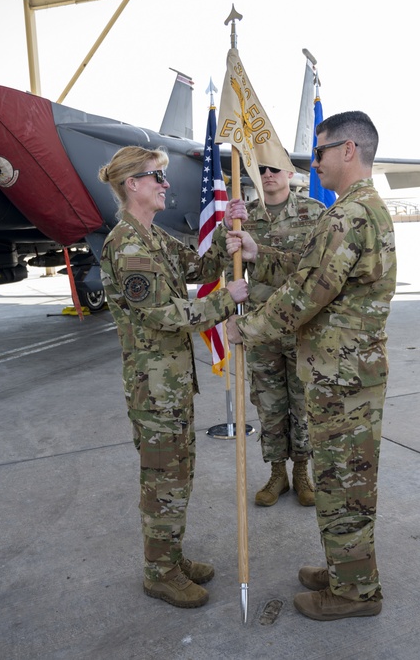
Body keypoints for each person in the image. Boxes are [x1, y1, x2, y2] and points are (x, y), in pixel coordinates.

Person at [226, 111, 395, 621]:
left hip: (341, 377)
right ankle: (349, 570)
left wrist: (247, 327)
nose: (313, 161)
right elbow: (313, 270)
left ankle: (354, 594)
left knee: (345, 481)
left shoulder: (349, 216)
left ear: (348, 151)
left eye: (319, 152)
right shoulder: (352, 211)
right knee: (343, 478)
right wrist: (260, 252)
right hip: (341, 373)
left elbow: (306, 294)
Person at [98, 146, 249, 609]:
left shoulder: (152, 237)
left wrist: (229, 229)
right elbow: (161, 314)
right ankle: (159, 573)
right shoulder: (126, 244)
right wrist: (228, 301)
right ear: (132, 185)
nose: (165, 184)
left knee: (178, 475)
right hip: (154, 390)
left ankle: (170, 557)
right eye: (156, 177)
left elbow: (200, 267)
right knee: (163, 480)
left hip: (173, 385)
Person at [224, 165, 325, 507]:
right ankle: (278, 473)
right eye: (262, 169)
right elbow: (231, 271)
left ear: (289, 172)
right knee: (269, 406)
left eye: (275, 168)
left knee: (303, 405)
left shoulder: (313, 212)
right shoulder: (244, 218)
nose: (268, 174)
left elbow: (319, 269)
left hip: (300, 326)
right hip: (260, 329)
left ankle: (302, 472)